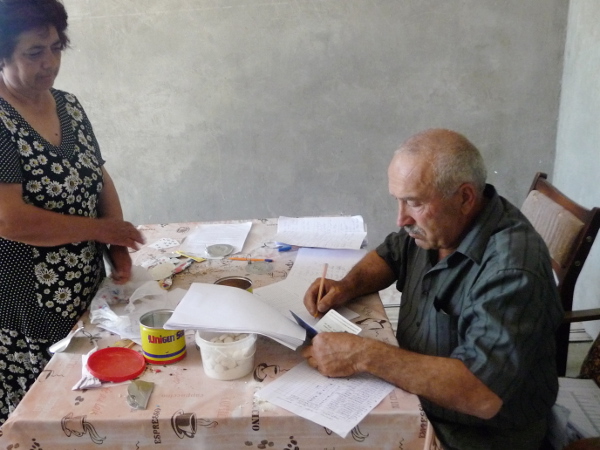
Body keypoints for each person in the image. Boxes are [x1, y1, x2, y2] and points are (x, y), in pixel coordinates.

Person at [301, 129, 564, 450]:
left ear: (464, 197)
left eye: (413, 203)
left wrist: (363, 355)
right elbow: (390, 255)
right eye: (398, 201)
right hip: (421, 401)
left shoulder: (511, 267)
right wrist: (346, 286)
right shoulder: (438, 226)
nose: (400, 219)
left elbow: (482, 394)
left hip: (477, 435)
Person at [0, 0, 144, 424]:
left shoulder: (68, 105)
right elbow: (10, 220)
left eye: (55, 48)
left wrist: (117, 245)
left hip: (84, 287)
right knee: (47, 415)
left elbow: (97, 174)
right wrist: (101, 230)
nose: (50, 63)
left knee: (96, 405)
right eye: (34, 53)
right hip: (29, 303)